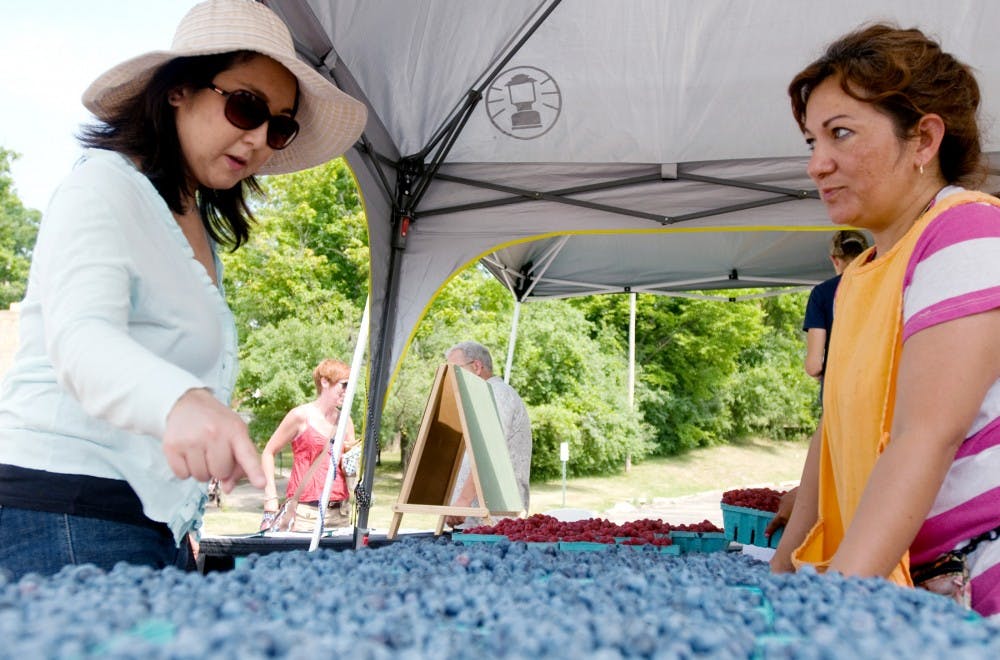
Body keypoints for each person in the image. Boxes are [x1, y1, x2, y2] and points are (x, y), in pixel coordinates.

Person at [0, 0, 366, 578]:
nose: (261, 138)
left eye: (280, 125)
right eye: (246, 106)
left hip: (145, 524)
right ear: (179, 90)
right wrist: (180, 401)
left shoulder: (193, 223)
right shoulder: (102, 186)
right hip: (64, 508)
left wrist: (181, 521)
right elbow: (80, 338)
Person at [770, 23, 1000, 619]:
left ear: (924, 139)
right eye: (811, 142)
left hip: (972, 590)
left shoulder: (965, 232)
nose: (818, 165)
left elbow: (928, 434)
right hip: (902, 593)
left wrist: (836, 605)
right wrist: (782, 568)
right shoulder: (861, 275)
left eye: (841, 134)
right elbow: (837, 429)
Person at [764, 230, 869, 538]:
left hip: (840, 399)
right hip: (883, 394)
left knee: (835, 474)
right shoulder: (886, 285)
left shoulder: (824, 294)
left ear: (834, 259)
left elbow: (814, 364)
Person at [259, 359, 357, 532]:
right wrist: (270, 499)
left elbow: (349, 469)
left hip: (340, 515)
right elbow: (268, 452)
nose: (347, 391)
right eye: (344, 385)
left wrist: (359, 486)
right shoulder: (300, 416)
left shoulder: (346, 421)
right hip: (305, 516)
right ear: (325, 382)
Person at [443, 341, 532, 527]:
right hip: (475, 519)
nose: (450, 377)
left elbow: (489, 449)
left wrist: (463, 501)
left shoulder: (496, 394)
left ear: (476, 367)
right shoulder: (478, 398)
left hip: (494, 521)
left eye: (455, 369)